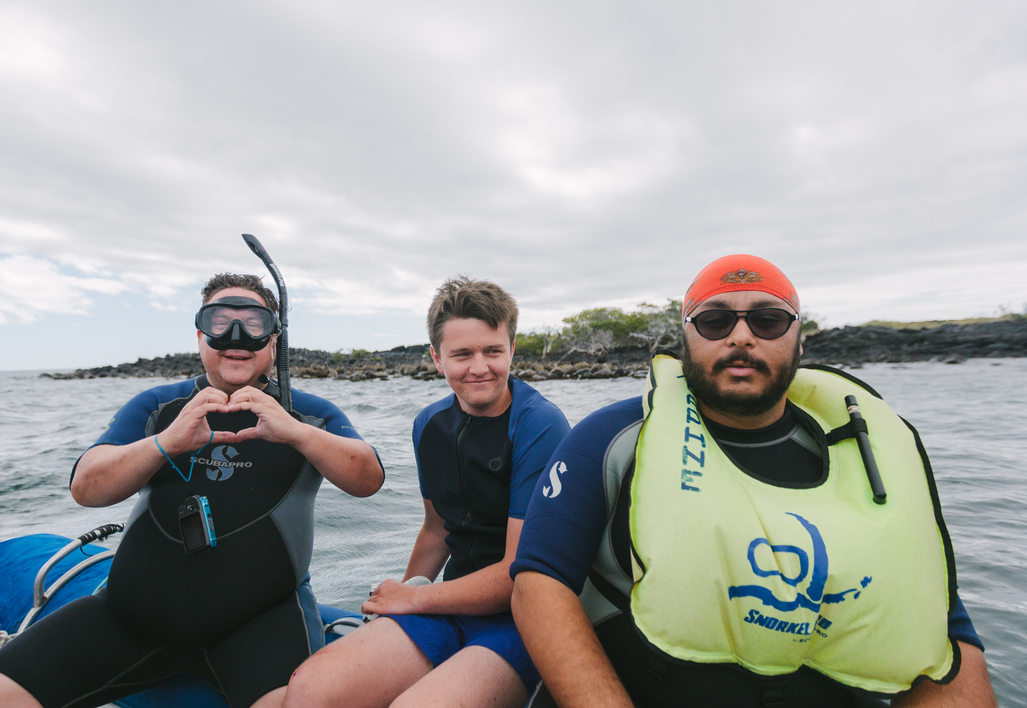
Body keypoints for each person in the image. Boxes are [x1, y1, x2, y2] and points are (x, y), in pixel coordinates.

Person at [510, 255, 998, 708]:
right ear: (685, 341)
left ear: (799, 341)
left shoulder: (871, 457)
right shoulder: (610, 441)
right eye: (715, 320)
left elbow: (945, 641)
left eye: (768, 320)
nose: (741, 337)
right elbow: (538, 583)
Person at [0, 273, 385, 708]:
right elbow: (86, 488)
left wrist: (297, 433)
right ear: (201, 335)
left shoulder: (310, 415)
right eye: (220, 321)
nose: (236, 336)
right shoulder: (159, 406)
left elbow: (367, 479)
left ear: (274, 341)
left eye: (254, 323)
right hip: (132, 614)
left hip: (261, 619)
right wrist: (166, 443)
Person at [286, 276, 571, 708]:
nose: (479, 367)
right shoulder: (429, 424)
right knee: (309, 691)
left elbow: (518, 571)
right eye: (462, 354)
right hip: (449, 606)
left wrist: (414, 597)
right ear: (437, 358)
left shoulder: (540, 425)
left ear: (512, 349)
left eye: (493, 351)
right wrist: (397, 600)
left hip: (521, 620)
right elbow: (437, 530)